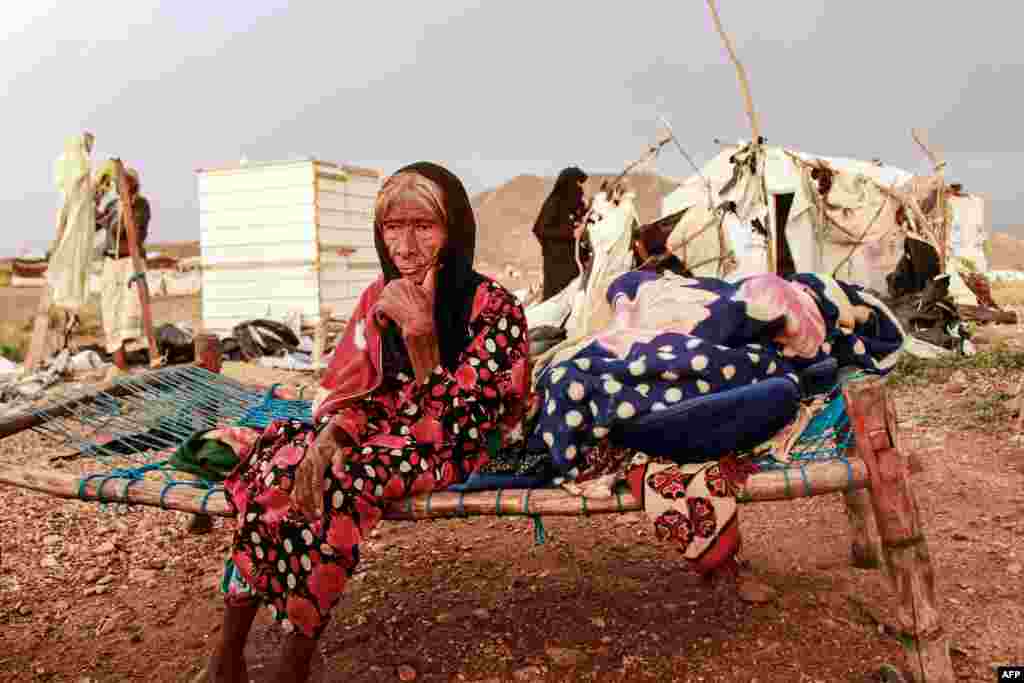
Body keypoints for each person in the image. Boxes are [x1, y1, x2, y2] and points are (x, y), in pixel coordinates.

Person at [207, 162, 531, 683]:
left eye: (424, 226)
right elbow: (354, 388)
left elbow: (467, 425)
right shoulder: (377, 296)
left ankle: (294, 661)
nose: (405, 246)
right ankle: (227, 653)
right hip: (384, 429)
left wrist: (423, 341)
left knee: (344, 482)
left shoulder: (494, 309)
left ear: (455, 231)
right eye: (391, 228)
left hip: (453, 441)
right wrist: (333, 434)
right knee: (281, 458)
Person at [95, 167, 151, 373]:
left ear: (134, 185)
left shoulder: (140, 205)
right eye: (118, 184)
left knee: (131, 309)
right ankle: (120, 364)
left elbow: (131, 233)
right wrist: (94, 198)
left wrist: (119, 212)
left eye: (125, 183)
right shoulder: (112, 205)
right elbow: (95, 224)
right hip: (112, 262)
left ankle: (137, 357)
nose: (120, 187)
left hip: (130, 262)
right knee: (111, 310)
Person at [532, 166, 588, 301]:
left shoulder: (575, 204)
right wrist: (570, 233)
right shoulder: (553, 203)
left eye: (581, 185)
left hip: (574, 262)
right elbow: (539, 229)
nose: (580, 189)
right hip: (557, 264)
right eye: (577, 184)